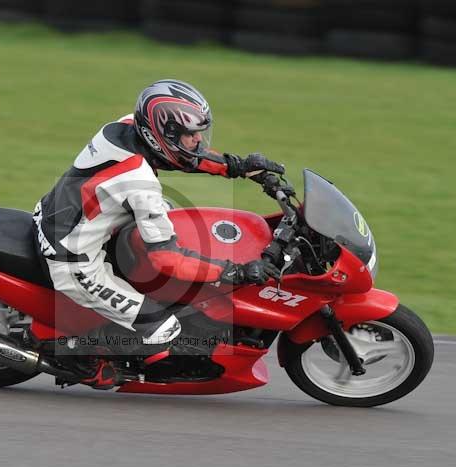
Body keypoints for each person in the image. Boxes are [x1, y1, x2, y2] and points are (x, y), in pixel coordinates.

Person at [33, 79, 284, 388]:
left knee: (167, 221)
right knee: (161, 328)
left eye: (198, 134)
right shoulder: (139, 181)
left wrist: (237, 166)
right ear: (160, 135)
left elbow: (181, 155)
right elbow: (167, 259)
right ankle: (78, 359)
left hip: (64, 217)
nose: (197, 141)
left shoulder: (124, 127)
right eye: (190, 135)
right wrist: (234, 271)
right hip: (73, 259)